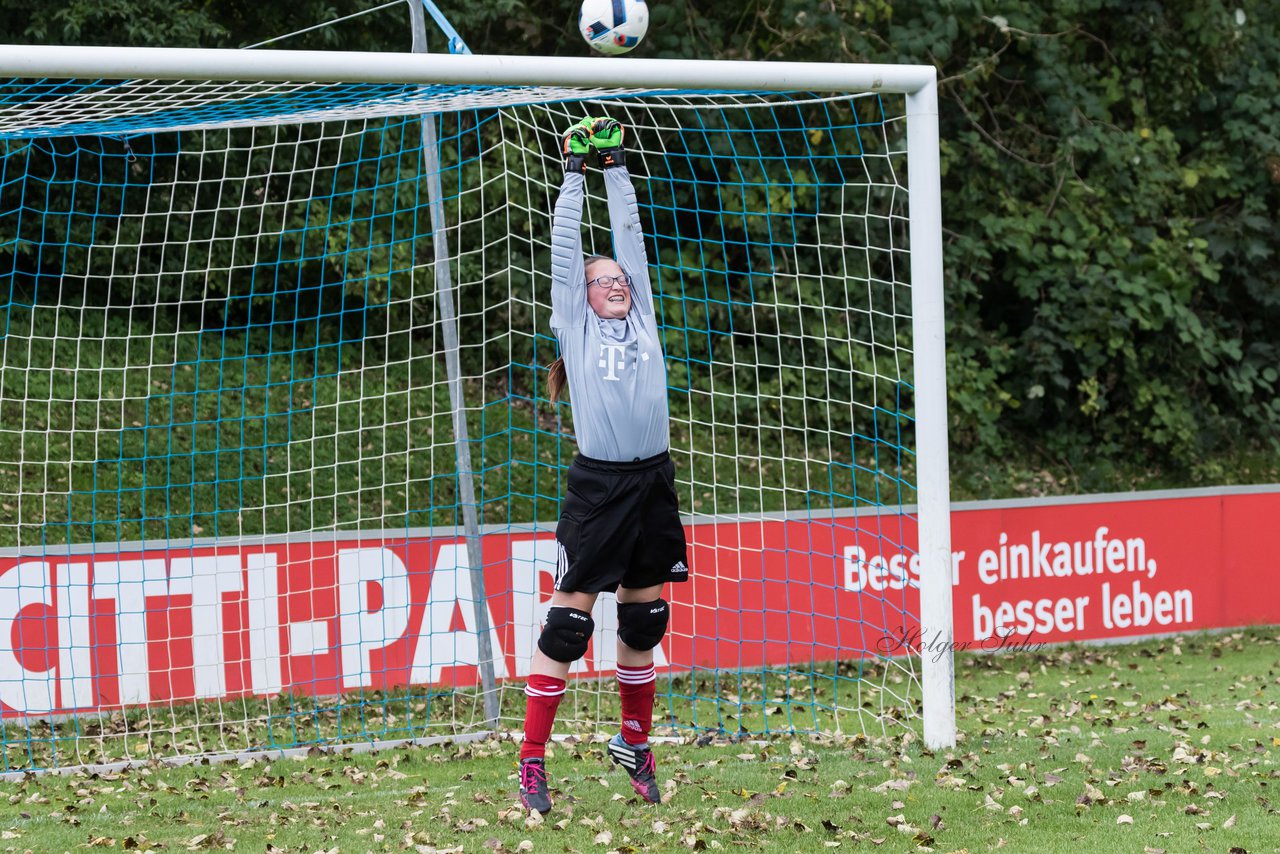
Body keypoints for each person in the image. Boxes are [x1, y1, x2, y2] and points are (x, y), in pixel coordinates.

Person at [517, 117, 690, 815]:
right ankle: (531, 762)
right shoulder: (577, 323)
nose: (614, 281)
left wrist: (618, 169)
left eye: (619, 277)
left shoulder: (643, 314)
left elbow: (632, 239)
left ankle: (633, 742)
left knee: (644, 619)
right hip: (600, 487)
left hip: (654, 479)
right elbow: (569, 255)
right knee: (570, 624)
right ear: (582, 296)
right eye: (602, 278)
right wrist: (575, 178)